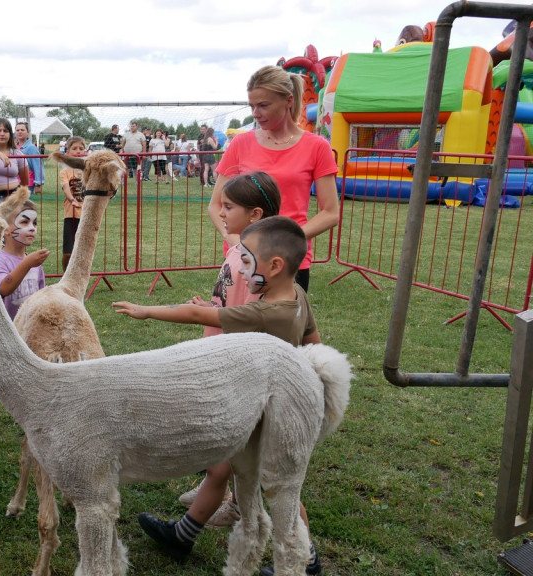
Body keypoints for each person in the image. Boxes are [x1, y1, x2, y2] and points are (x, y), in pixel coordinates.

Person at [113, 216, 323, 576]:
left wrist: (147, 311)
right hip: (265, 403)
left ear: (274, 266)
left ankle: (306, 560)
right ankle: (184, 534)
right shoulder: (297, 296)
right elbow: (313, 344)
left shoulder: (266, 311)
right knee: (228, 470)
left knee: (281, 490)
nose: (240, 271)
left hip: (264, 411)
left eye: (245, 262)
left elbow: (198, 315)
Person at [210, 64, 340, 293]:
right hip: (244, 260)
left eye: (263, 105)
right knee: (238, 326)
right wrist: (232, 241)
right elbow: (215, 205)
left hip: (289, 260)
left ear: (288, 101)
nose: (255, 113)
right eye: (252, 106)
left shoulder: (316, 146)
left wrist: (287, 237)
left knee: (283, 328)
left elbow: (330, 212)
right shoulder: (241, 143)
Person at [0, 197, 48, 319]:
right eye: (24, 222)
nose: (32, 228)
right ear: (6, 229)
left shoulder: (35, 264)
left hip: (30, 330)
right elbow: (4, 289)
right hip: (8, 332)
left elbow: (41, 299)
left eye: (35, 223)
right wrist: (27, 264)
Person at [58, 136, 87, 272]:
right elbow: (65, 187)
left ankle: (80, 276)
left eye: (81, 148)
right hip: (71, 216)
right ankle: (65, 275)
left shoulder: (89, 171)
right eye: (74, 148)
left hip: (86, 216)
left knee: (82, 252)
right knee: (68, 252)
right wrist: (71, 199)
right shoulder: (65, 172)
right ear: (67, 152)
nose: (78, 151)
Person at [14, 121, 44, 195]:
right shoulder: (13, 147)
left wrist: (38, 184)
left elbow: (38, 166)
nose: (20, 132)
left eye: (22, 130)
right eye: (17, 130)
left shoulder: (32, 148)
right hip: (14, 182)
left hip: (27, 184)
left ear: (28, 132)